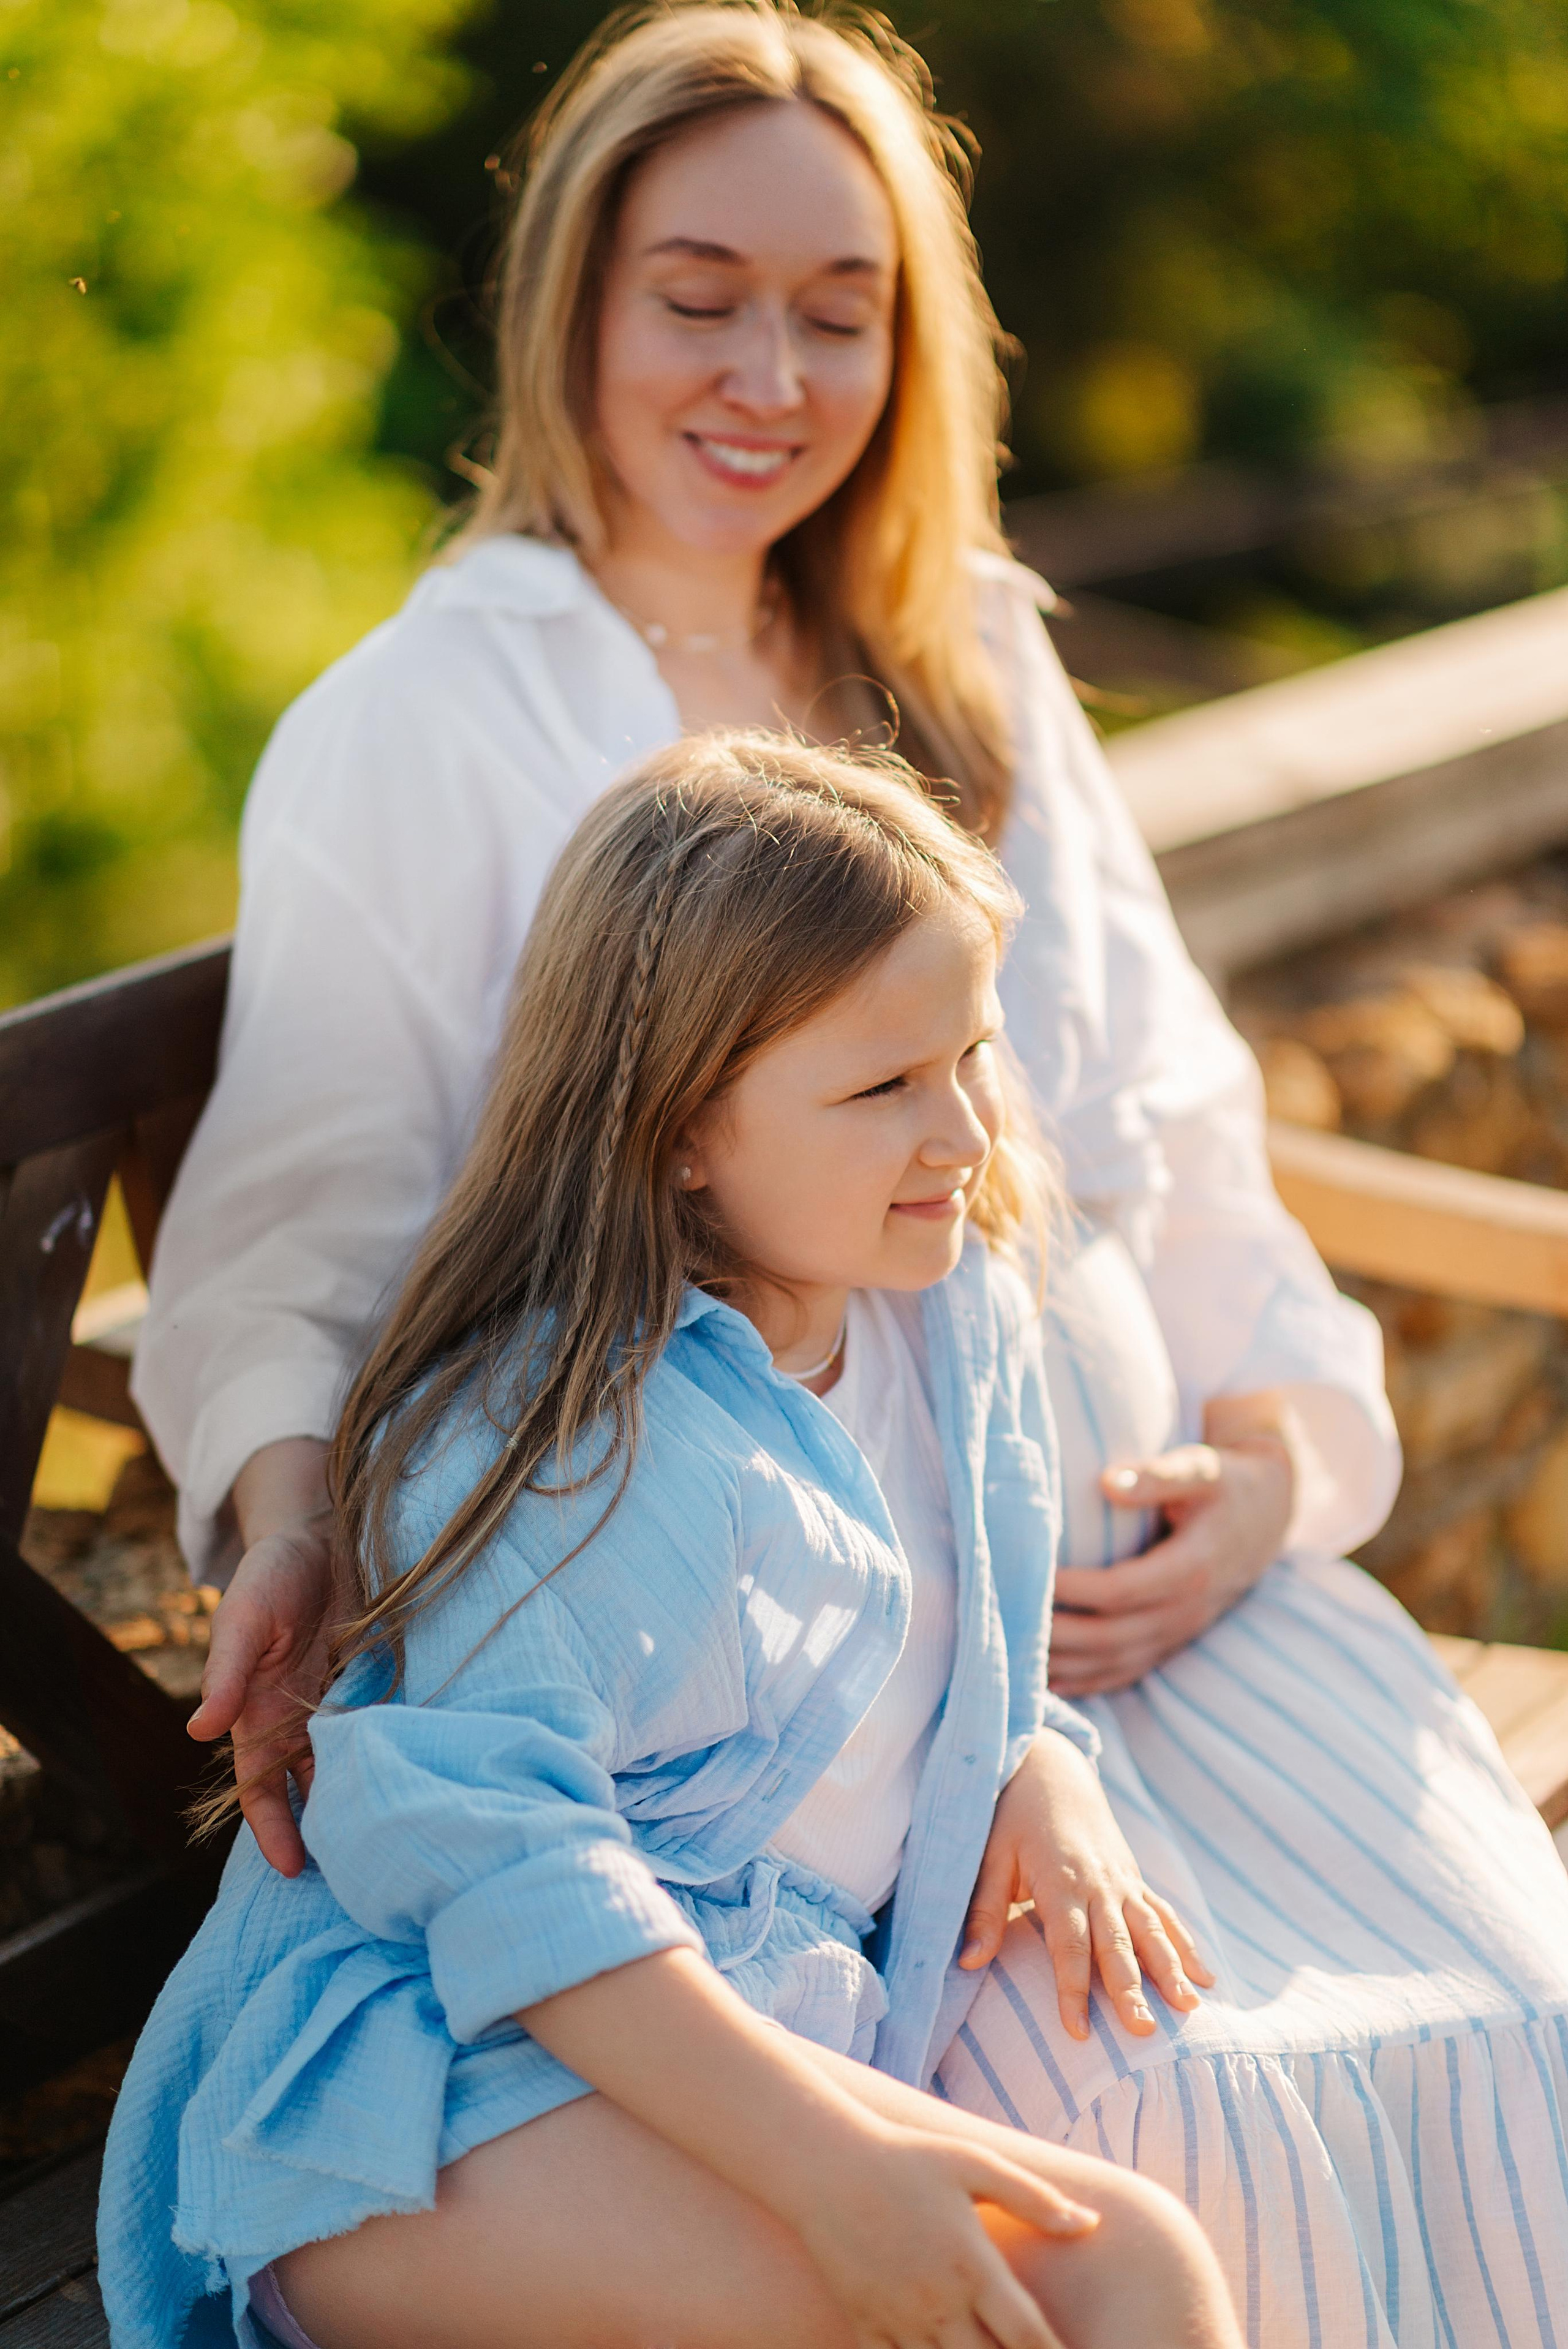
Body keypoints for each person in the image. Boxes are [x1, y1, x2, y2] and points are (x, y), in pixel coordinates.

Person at [126, 4, 1568, 2337]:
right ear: (573, 299)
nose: (767, 373)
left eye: (841, 306)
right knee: (1186, 2133)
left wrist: (1278, 1474)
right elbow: (298, 1213)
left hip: (1105, 1611)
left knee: (1522, 2020)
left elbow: (1168, 1115)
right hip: (775, 1716)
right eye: (697, 295)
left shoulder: (963, 644)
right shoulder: (427, 719)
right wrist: (295, 1510)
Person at [99, 739, 1242, 2349]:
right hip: (433, 2098)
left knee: (1141, 2264)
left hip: (725, 2036)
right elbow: (510, 1864)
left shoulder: (938, 1320)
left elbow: (923, 1651)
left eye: (970, 1053)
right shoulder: (576, 1433)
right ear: (682, 1128)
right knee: (1022, 2302)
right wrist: (840, 2171)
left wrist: (1029, 1761)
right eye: (883, 1086)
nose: (967, 1136)